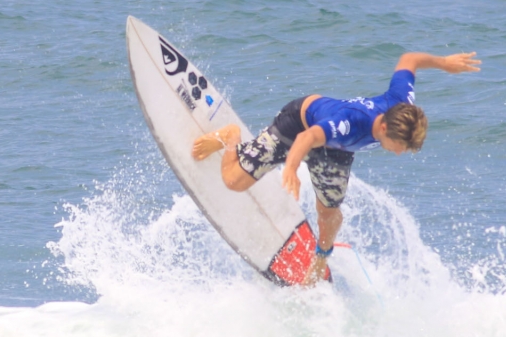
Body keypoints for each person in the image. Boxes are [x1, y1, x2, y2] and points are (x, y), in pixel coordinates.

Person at [192, 51, 481, 284]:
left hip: (338, 152)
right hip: (299, 125)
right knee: (233, 181)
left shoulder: (402, 104)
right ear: (382, 127)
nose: (400, 153)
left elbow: (409, 60)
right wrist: (291, 168)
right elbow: (307, 138)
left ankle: (322, 256)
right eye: (399, 146)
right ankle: (230, 137)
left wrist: (444, 64)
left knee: (329, 213)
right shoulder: (347, 123)